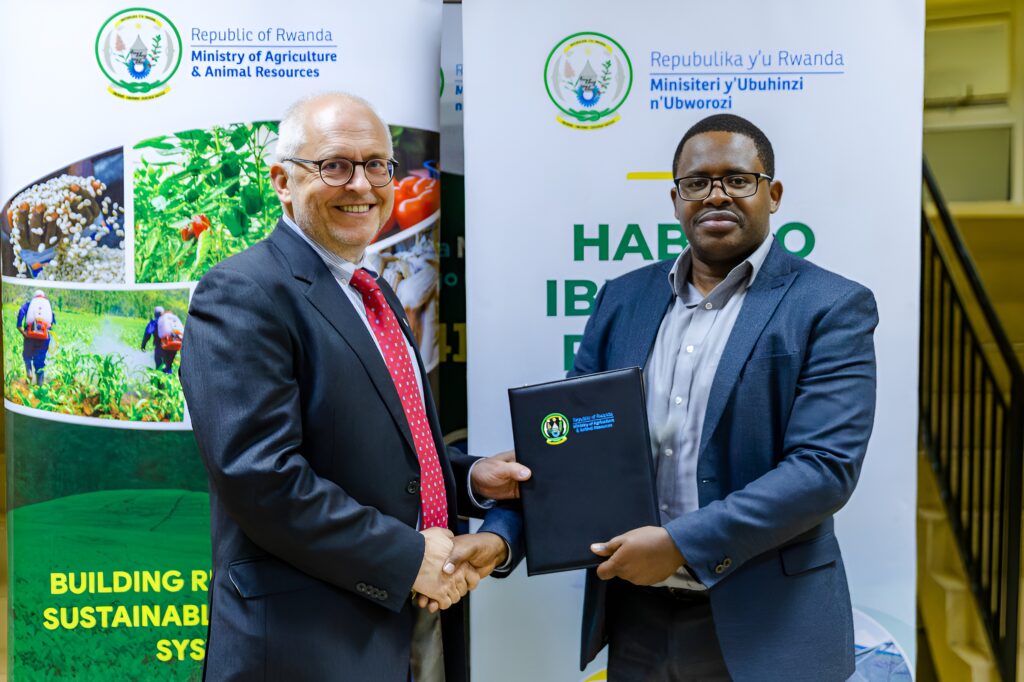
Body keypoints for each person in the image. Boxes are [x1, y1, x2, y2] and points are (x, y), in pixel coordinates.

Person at [485, 114, 878, 681]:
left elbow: (823, 469)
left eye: (738, 179)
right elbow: (570, 453)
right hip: (635, 618)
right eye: (697, 182)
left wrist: (679, 544)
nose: (717, 195)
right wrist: (499, 537)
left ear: (773, 194)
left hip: (768, 626)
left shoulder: (830, 305)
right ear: (676, 200)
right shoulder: (623, 299)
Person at [180, 92, 523, 682]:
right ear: (283, 181)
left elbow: (377, 446)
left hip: (413, 623)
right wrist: (408, 558)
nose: (362, 185)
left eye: (377, 165)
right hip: (309, 644)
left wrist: (468, 478)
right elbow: (262, 478)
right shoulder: (243, 292)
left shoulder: (374, 291)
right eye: (335, 166)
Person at [17, 289, 56, 385]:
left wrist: (22, 330)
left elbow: (21, 312)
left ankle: (29, 373)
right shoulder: (47, 306)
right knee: (40, 361)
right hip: (44, 337)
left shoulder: (29, 304)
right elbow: (52, 323)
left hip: (30, 335)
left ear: (34, 297)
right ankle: (39, 384)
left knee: (27, 355)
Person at [141, 306, 180, 373]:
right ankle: (168, 377)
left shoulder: (155, 322)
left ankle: (160, 378)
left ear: (155, 314)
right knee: (168, 366)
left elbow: (148, 333)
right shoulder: (170, 321)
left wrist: (143, 345)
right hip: (173, 347)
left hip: (161, 347)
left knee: (159, 366)